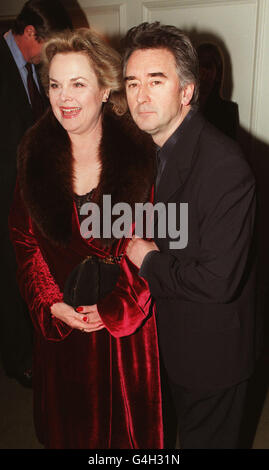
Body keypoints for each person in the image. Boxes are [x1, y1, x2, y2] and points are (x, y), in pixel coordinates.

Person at [9, 28, 163, 449]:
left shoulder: (143, 156)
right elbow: (24, 240)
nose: (64, 98)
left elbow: (154, 247)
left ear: (105, 88)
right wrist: (48, 302)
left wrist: (117, 309)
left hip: (124, 338)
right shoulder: (34, 153)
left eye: (78, 84)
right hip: (64, 330)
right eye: (55, 85)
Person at [123, 22, 257, 449]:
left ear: (186, 92)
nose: (140, 95)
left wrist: (147, 259)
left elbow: (219, 281)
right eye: (132, 82)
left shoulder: (224, 165)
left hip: (211, 355)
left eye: (155, 81)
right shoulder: (152, 148)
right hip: (169, 342)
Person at [0, 0, 72, 387]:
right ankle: (17, 359)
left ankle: (32, 349)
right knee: (8, 277)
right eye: (48, 44)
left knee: (28, 270)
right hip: (2, 192)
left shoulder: (33, 71)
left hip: (27, 192)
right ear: (30, 33)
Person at [197, 42, 239, 140]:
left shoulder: (228, 111)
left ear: (217, 73)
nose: (202, 71)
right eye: (199, 65)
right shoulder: (182, 105)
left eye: (207, 66)